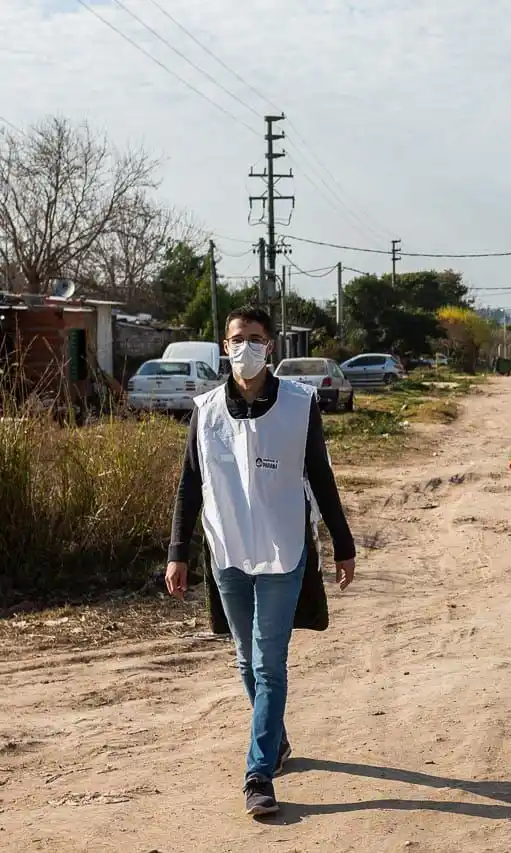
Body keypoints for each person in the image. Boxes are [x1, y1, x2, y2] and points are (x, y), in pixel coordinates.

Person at [164, 306, 356, 817]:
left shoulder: (299, 404)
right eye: (236, 338)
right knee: (246, 660)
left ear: (270, 346)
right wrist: (178, 552)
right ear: (224, 346)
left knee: (270, 664)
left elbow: (320, 476)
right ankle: (276, 739)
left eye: (254, 338)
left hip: (282, 551)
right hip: (227, 551)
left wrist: (343, 544)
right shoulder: (206, 410)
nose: (244, 347)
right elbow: (189, 484)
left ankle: (258, 774)